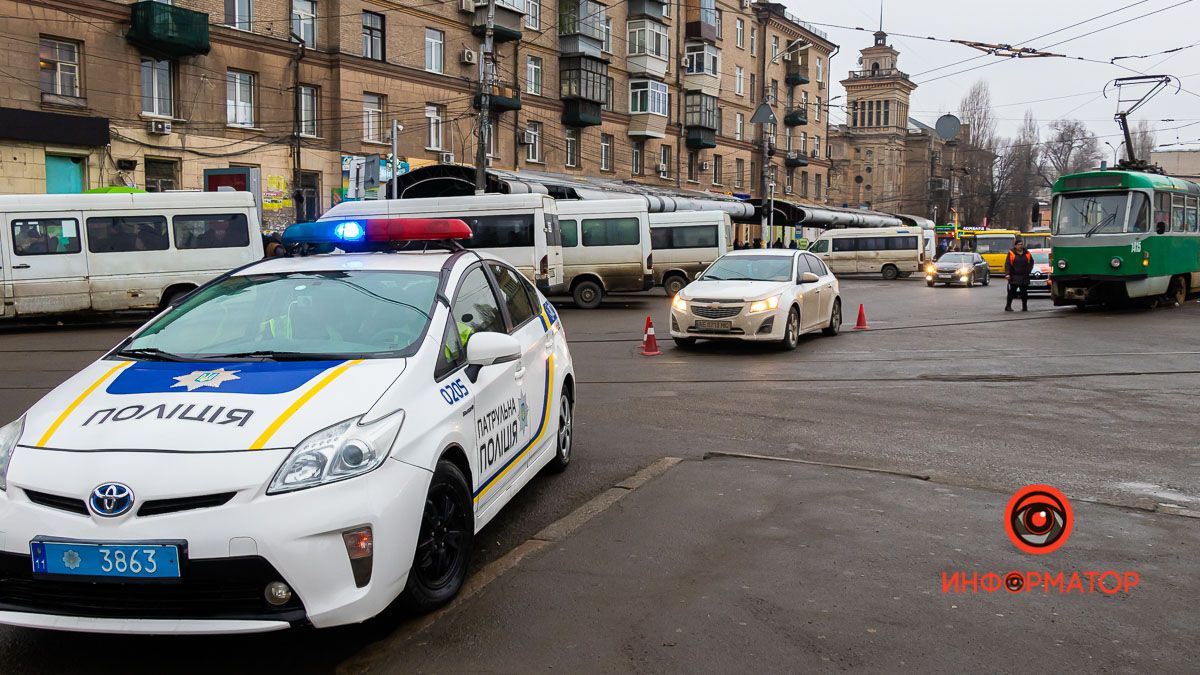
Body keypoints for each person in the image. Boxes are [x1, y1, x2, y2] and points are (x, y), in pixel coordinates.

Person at [1004, 237, 1035, 312]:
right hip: (1014, 276)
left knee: (1024, 293)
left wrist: (1029, 270)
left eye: (1021, 244)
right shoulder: (1011, 253)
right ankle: (1008, 306)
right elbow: (1007, 264)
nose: (1020, 246)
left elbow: (1031, 262)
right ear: (1015, 246)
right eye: (1018, 245)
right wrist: (1008, 274)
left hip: (1024, 276)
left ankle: (1025, 307)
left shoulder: (1027, 253)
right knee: (1012, 292)